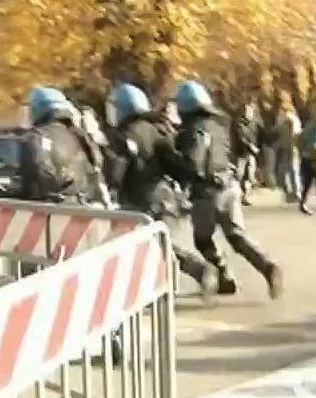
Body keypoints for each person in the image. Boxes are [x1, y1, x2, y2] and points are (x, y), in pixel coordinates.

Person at [106, 82, 217, 297]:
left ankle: (195, 272)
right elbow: (176, 165)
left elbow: (116, 171)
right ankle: (180, 279)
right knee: (161, 244)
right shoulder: (157, 130)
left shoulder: (124, 135)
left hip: (140, 200)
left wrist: (111, 190)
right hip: (165, 196)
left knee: (136, 246)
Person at [174, 80, 283, 299]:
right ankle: (267, 266)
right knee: (237, 236)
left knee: (203, 239)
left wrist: (181, 173)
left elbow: (194, 162)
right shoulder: (219, 125)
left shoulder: (192, 129)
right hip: (229, 186)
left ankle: (224, 276)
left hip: (206, 192)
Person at [231, 103, 261, 205]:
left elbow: (257, 136)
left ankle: (247, 196)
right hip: (241, 153)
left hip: (251, 154)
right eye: (248, 112)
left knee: (250, 175)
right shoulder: (239, 124)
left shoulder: (253, 124)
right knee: (239, 174)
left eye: (251, 112)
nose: (250, 114)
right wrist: (250, 146)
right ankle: (236, 194)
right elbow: (241, 138)